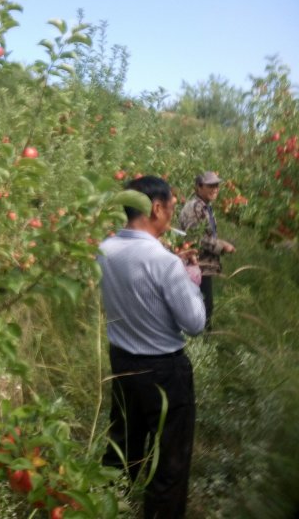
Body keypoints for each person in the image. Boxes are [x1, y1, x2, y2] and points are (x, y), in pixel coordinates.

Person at [99, 175, 206, 519]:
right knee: (169, 465)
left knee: (123, 448)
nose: (172, 216)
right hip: (164, 373)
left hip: (123, 363)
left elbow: (137, 276)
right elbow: (195, 324)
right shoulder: (166, 264)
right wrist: (191, 278)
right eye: (172, 208)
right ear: (156, 208)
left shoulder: (105, 249)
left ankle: (107, 509)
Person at [178, 171, 236, 331]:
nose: (215, 189)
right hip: (196, 266)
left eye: (216, 185)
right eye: (210, 185)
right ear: (198, 187)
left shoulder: (204, 207)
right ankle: (201, 345)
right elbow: (195, 237)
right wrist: (221, 245)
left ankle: (203, 344)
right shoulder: (194, 207)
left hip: (203, 266)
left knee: (205, 307)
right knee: (203, 309)